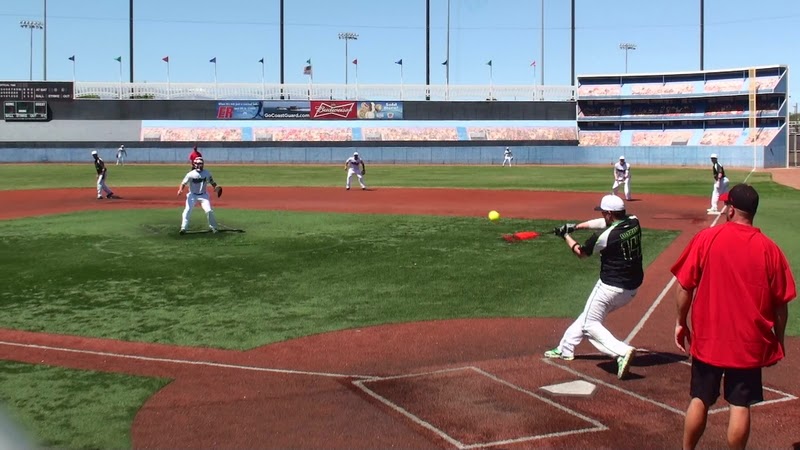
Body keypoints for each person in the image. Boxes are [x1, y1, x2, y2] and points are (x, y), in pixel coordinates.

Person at [671, 183, 795, 450]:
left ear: (730, 210)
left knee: (700, 398)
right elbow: (781, 305)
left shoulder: (707, 238)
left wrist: (681, 322)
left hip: (709, 338)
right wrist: (779, 339)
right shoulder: (769, 249)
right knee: (740, 404)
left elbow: (683, 286)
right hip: (748, 342)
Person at [545, 194, 642, 379]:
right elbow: (603, 222)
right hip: (631, 287)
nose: (602, 215)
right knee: (589, 314)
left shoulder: (606, 237)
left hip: (610, 288)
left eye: (604, 212)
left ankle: (622, 352)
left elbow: (581, 253)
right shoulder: (633, 221)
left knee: (589, 324)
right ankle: (565, 347)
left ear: (610, 213)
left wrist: (565, 236)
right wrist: (575, 227)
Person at [177, 157, 220, 234]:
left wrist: (216, 187)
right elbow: (183, 183)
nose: (198, 165)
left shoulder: (207, 173)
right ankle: (183, 228)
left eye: (200, 164)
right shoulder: (190, 174)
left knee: (209, 211)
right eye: (196, 164)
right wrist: (180, 190)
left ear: (203, 164)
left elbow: (212, 182)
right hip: (192, 195)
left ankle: (214, 228)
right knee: (187, 210)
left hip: (203, 195)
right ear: (194, 164)